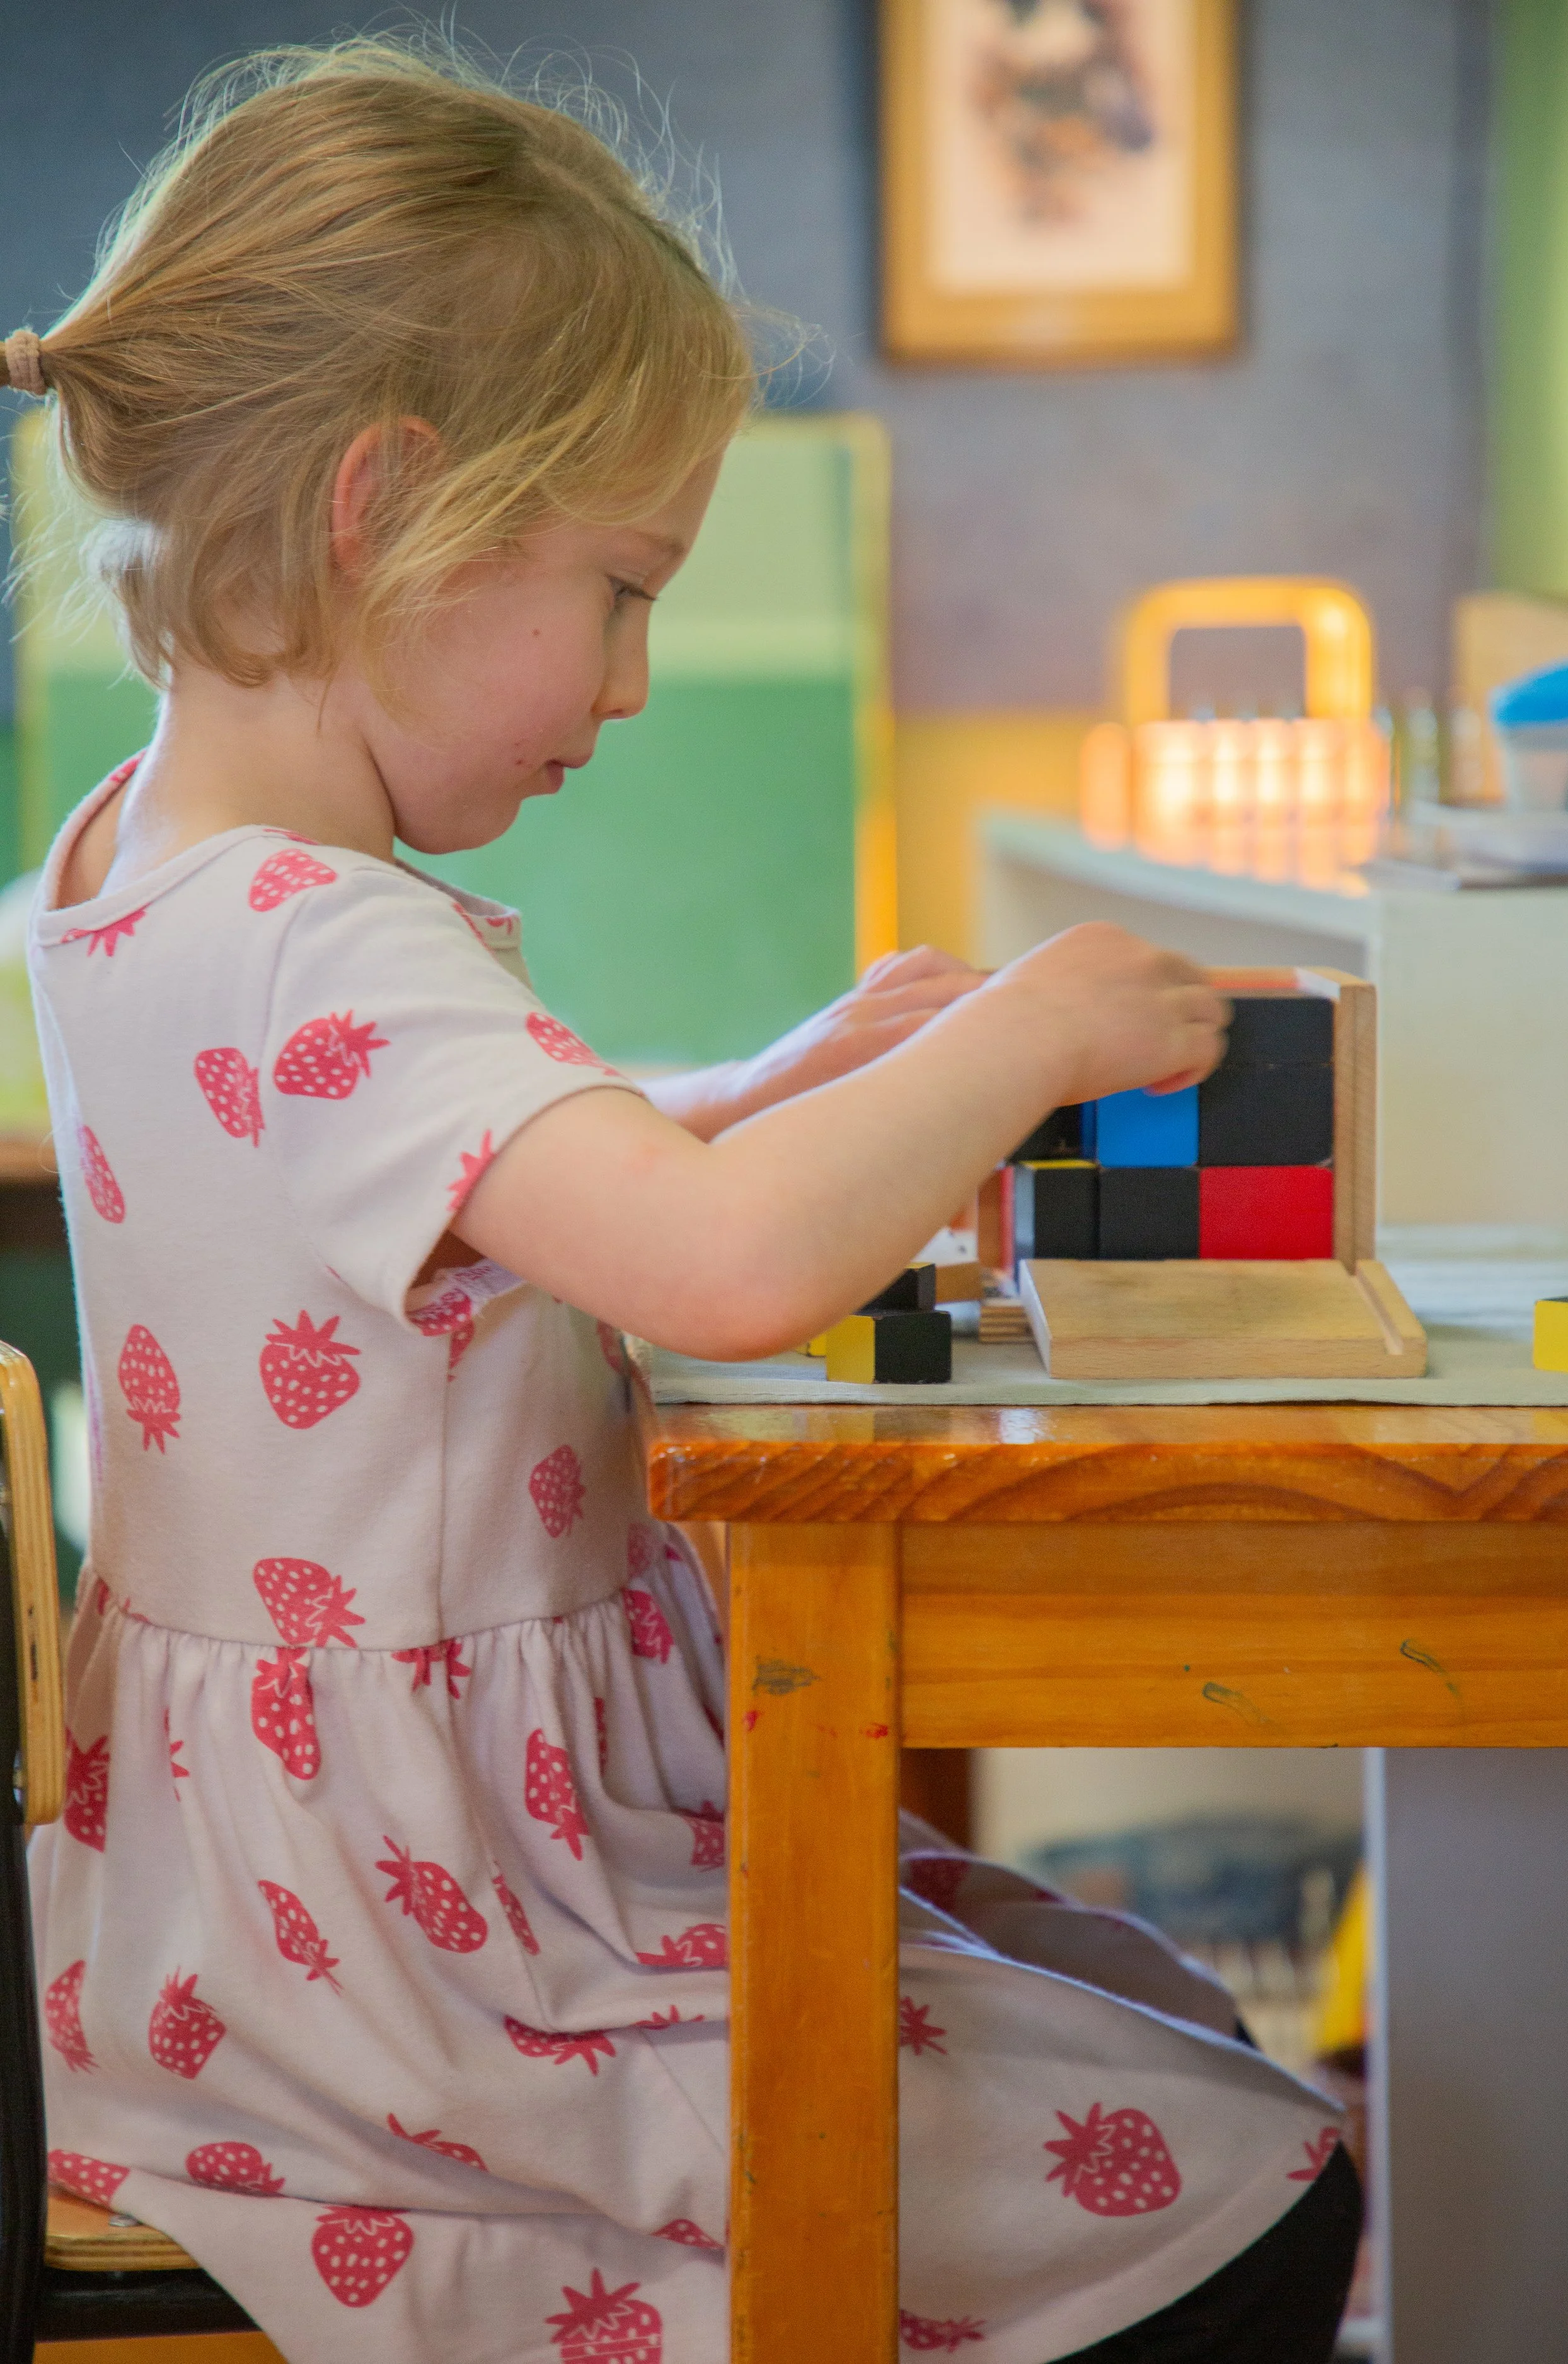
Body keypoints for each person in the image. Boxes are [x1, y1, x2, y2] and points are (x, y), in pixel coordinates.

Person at [9, 37, 1358, 2364]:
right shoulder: (327, 929)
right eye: (618, 587)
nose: (634, 682)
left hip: (263, 1894)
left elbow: (425, 1175)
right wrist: (1010, 1035)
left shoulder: (139, 864)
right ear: (382, 509)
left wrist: (748, 1079)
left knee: (1120, 1993)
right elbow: (726, 1260)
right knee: (1252, 2176)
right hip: (440, 1948)